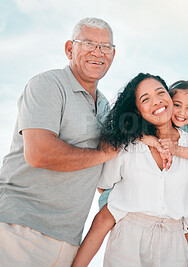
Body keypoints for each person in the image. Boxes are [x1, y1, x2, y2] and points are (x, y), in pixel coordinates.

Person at [0, 17, 117, 266]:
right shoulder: (48, 85)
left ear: (113, 54)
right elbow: (39, 154)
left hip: (68, 240)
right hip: (18, 229)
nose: (98, 52)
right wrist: (102, 155)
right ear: (69, 49)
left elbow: (104, 175)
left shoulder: (105, 105)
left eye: (105, 46)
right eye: (88, 43)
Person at [72, 79, 188, 266]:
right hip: (128, 239)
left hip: (174, 244)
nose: (157, 102)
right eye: (146, 99)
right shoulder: (129, 145)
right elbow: (104, 188)